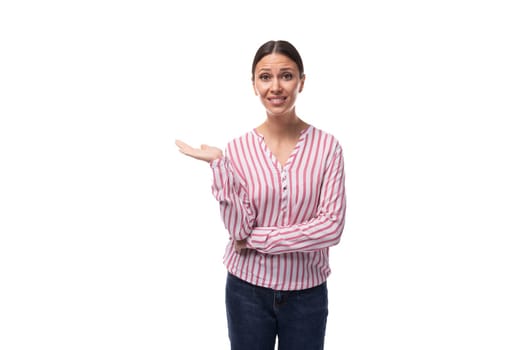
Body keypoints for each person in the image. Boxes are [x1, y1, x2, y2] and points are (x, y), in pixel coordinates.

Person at [175, 40, 346, 350]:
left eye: (287, 75)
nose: (276, 86)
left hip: (307, 293)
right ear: (254, 84)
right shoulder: (237, 150)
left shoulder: (328, 147)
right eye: (265, 77)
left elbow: (331, 228)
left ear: (302, 82)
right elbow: (238, 230)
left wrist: (258, 240)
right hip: (247, 291)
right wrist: (219, 165)